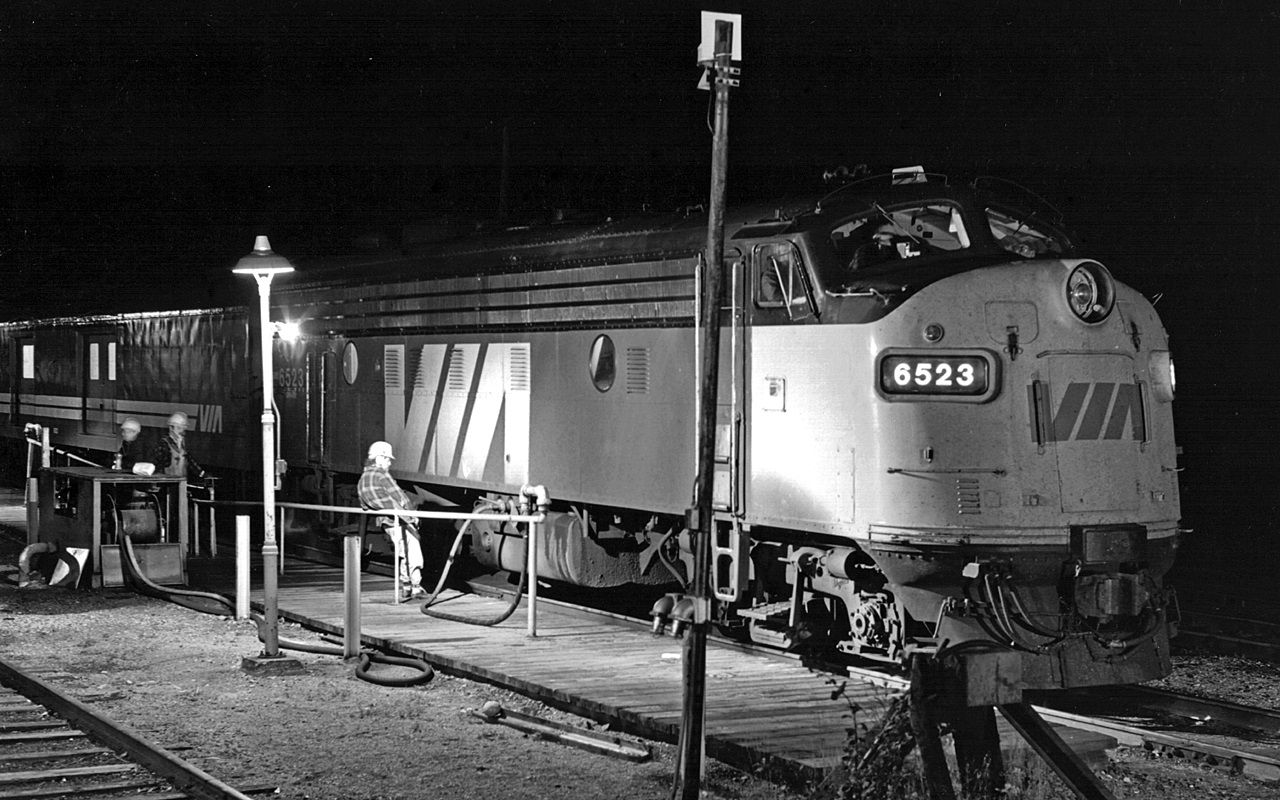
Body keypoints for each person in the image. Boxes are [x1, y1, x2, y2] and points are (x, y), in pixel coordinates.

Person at [356, 441, 426, 600]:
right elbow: (400, 497)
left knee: (403, 551)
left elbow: (364, 505)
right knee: (412, 550)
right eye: (387, 459)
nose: (389, 463)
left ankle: (407, 586)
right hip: (398, 518)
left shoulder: (363, 478)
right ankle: (415, 587)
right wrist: (412, 516)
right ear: (379, 458)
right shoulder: (381, 475)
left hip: (386, 522)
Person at [161, 412, 206, 481]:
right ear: (171, 428)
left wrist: (201, 473)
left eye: (183, 428)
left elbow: (189, 459)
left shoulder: (182, 445)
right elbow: (164, 462)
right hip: (168, 483)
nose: (182, 431)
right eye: (179, 428)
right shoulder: (164, 444)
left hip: (182, 482)